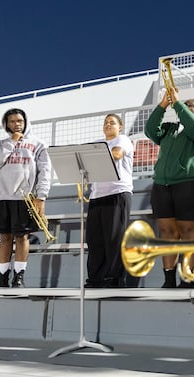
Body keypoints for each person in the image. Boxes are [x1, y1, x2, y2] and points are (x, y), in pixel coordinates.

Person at [144, 85, 194, 288]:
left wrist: (179, 104)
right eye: (184, 105)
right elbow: (150, 129)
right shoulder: (169, 130)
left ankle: (190, 278)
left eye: (191, 107)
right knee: (166, 232)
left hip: (190, 183)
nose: (185, 107)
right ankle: (168, 279)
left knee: (189, 230)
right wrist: (164, 104)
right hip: (163, 184)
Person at [0, 108, 51, 288]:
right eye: (12, 121)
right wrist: (11, 143)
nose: (17, 124)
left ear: (25, 122)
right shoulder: (1, 144)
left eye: (20, 121)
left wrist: (41, 196)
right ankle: (2, 277)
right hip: (2, 197)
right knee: (5, 238)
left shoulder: (38, 144)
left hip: (24, 198)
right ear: (6, 124)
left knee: (22, 238)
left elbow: (45, 172)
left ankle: (19, 276)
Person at [84, 113, 134, 288]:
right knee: (94, 239)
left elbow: (117, 154)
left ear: (120, 126)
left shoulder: (123, 139)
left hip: (117, 192)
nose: (108, 125)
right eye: (105, 122)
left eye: (112, 122)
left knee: (115, 238)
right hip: (97, 195)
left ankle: (114, 278)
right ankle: (95, 278)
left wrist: (94, 158)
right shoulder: (98, 144)